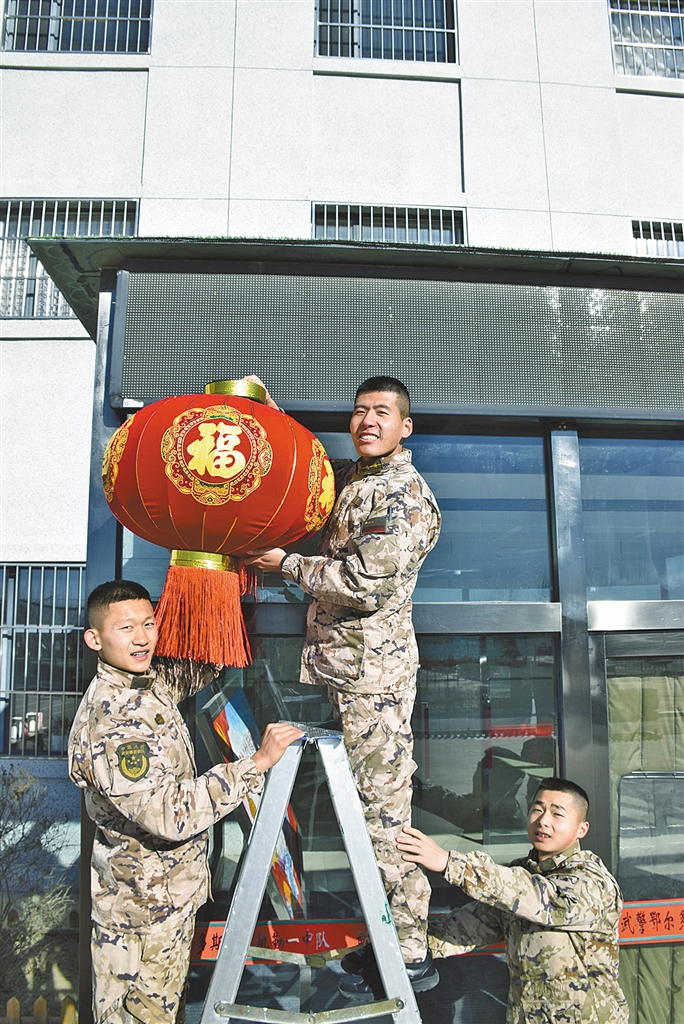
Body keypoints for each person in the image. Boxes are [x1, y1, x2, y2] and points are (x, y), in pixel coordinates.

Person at [244, 375, 442, 994]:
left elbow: (362, 584)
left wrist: (287, 564)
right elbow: (307, 473)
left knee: (384, 816)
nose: (368, 421)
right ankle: (386, 941)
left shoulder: (402, 495)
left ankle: (409, 954)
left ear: (405, 426)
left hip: (373, 681)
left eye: (382, 412)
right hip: (347, 671)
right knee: (366, 813)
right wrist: (271, 420)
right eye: (359, 412)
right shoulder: (358, 477)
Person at [68, 580, 302, 1024]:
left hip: (167, 907)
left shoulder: (146, 685)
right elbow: (168, 815)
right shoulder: (112, 722)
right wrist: (255, 764)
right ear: (94, 639)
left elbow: (203, 663)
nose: (141, 638)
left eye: (148, 624)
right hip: (141, 922)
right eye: (126, 628)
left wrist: (218, 583)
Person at [396, 778, 629, 1023]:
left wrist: (449, 863)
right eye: (537, 809)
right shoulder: (526, 873)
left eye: (557, 814)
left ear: (582, 829)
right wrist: (403, 948)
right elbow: (471, 926)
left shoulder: (591, 882)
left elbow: (536, 897)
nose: (543, 821)